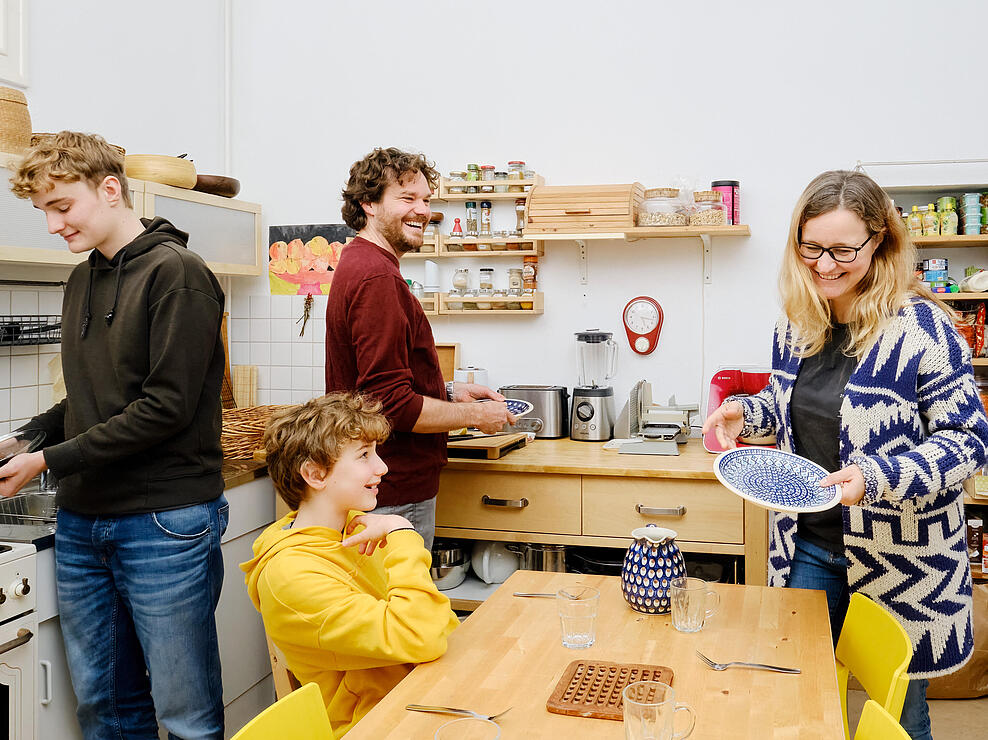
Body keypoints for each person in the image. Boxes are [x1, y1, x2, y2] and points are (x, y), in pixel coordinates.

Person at [702, 169, 988, 740]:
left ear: (879, 241)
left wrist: (875, 477)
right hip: (809, 547)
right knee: (800, 698)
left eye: (842, 250)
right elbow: (794, 405)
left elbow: (968, 441)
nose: (825, 266)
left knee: (901, 717)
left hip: (905, 563)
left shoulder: (923, 328)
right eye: (812, 248)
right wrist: (748, 412)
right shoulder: (797, 323)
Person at [0, 131, 229, 739]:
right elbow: (95, 396)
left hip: (165, 520)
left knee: (185, 718)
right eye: (43, 211)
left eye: (61, 206)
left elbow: (165, 408)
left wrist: (48, 460)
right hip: (83, 522)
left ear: (109, 189)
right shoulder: (81, 281)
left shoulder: (178, 275)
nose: (52, 225)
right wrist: (25, 441)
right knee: (106, 709)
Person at [325, 147, 514, 550]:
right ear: (369, 204)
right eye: (407, 198)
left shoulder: (361, 263)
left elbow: (374, 384)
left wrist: (447, 391)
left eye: (426, 200)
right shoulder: (378, 278)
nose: (422, 210)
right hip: (394, 489)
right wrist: (476, 415)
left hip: (381, 481)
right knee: (401, 607)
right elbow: (391, 404)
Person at [241, 394, 458, 736]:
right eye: (363, 456)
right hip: (377, 724)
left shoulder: (355, 528)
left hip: (420, 695)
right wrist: (403, 532)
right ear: (315, 474)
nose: (381, 467)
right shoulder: (291, 576)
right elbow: (423, 635)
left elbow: (438, 622)